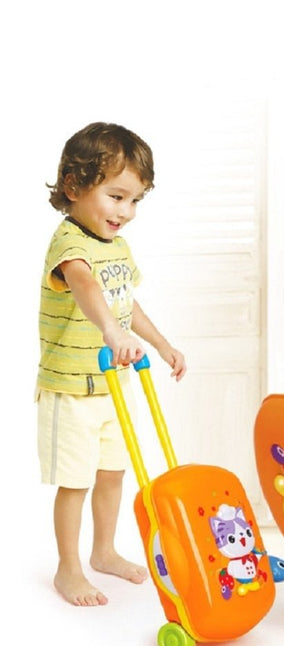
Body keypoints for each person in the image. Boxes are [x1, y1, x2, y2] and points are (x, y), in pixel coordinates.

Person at [37, 122, 187, 605]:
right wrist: (110, 331)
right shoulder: (69, 244)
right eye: (116, 197)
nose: (126, 211)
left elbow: (125, 302)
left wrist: (161, 344)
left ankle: (104, 551)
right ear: (73, 186)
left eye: (135, 200)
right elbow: (87, 287)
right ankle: (68, 568)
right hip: (72, 389)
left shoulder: (117, 246)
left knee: (113, 472)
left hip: (114, 386)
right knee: (75, 482)